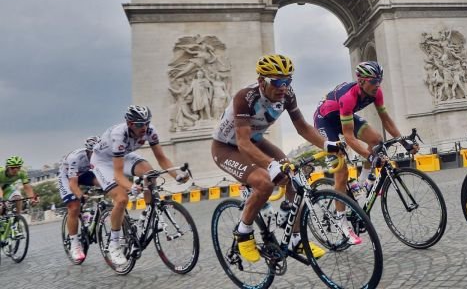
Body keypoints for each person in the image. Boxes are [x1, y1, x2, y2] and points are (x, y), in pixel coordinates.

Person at [211, 54, 338, 263]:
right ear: (262, 81)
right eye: (278, 82)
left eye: (288, 81)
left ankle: (296, 239)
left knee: (294, 177)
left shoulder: (287, 94)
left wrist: (327, 144)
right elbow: (242, 143)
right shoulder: (246, 97)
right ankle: (243, 232)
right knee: (264, 181)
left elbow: (303, 128)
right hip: (227, 147)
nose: (284, 87)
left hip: (256, 140)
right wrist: (271, 165)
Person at [313, 61, 418, 240]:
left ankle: (363, 181)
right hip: (325, 121)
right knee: (341, 172)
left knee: (376, 139)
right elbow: (349, 137)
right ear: (361, 81)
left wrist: (404, 141)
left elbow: (386, 119)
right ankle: (340, 219)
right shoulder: (348, 97)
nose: (377, 85)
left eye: (380, 80)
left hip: (344, 116)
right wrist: (370, 156)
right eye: (373, 81)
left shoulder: (376, 92)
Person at [91, 105, 189, 266]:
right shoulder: (119, 135)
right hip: (103, 162)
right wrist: (131, 187)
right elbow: (118, 175)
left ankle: (152, 211)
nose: (143, 128)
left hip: (125, 155)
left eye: (146, 123)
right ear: (129, 124)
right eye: (139, 125)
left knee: (150, 174)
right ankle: (114, 244)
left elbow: (162, 159)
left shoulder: (150, 130)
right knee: (122, 199)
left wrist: (177, 175)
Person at [58, 137, 101, 262]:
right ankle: (74, 244)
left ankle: (89, 215)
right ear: (88, 151)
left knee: (105, 184)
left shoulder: (101, 155)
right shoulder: (75, 158)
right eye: (94, 153)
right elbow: (73, 184)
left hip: (83, 174)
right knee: (74, 205)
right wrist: (80, 195)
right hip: (68, 177)